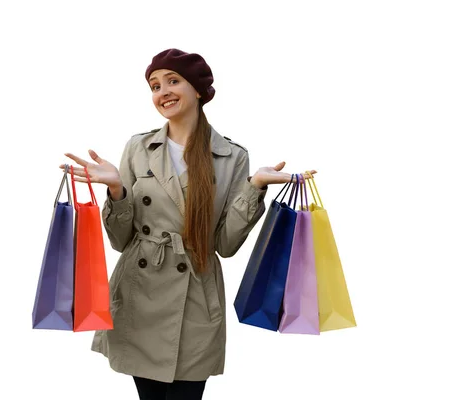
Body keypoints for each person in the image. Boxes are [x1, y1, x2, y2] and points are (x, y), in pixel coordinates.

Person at [61, 48, 317, 400]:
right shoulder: (138, 147)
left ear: (197, 89)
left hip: (196, 294)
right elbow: (121, 241)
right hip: (140, 293)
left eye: (172, 81)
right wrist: (117, 190)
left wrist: (254, 187)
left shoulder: (232, 156)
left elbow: (225, 246)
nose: (161, 91)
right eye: (154, 85)